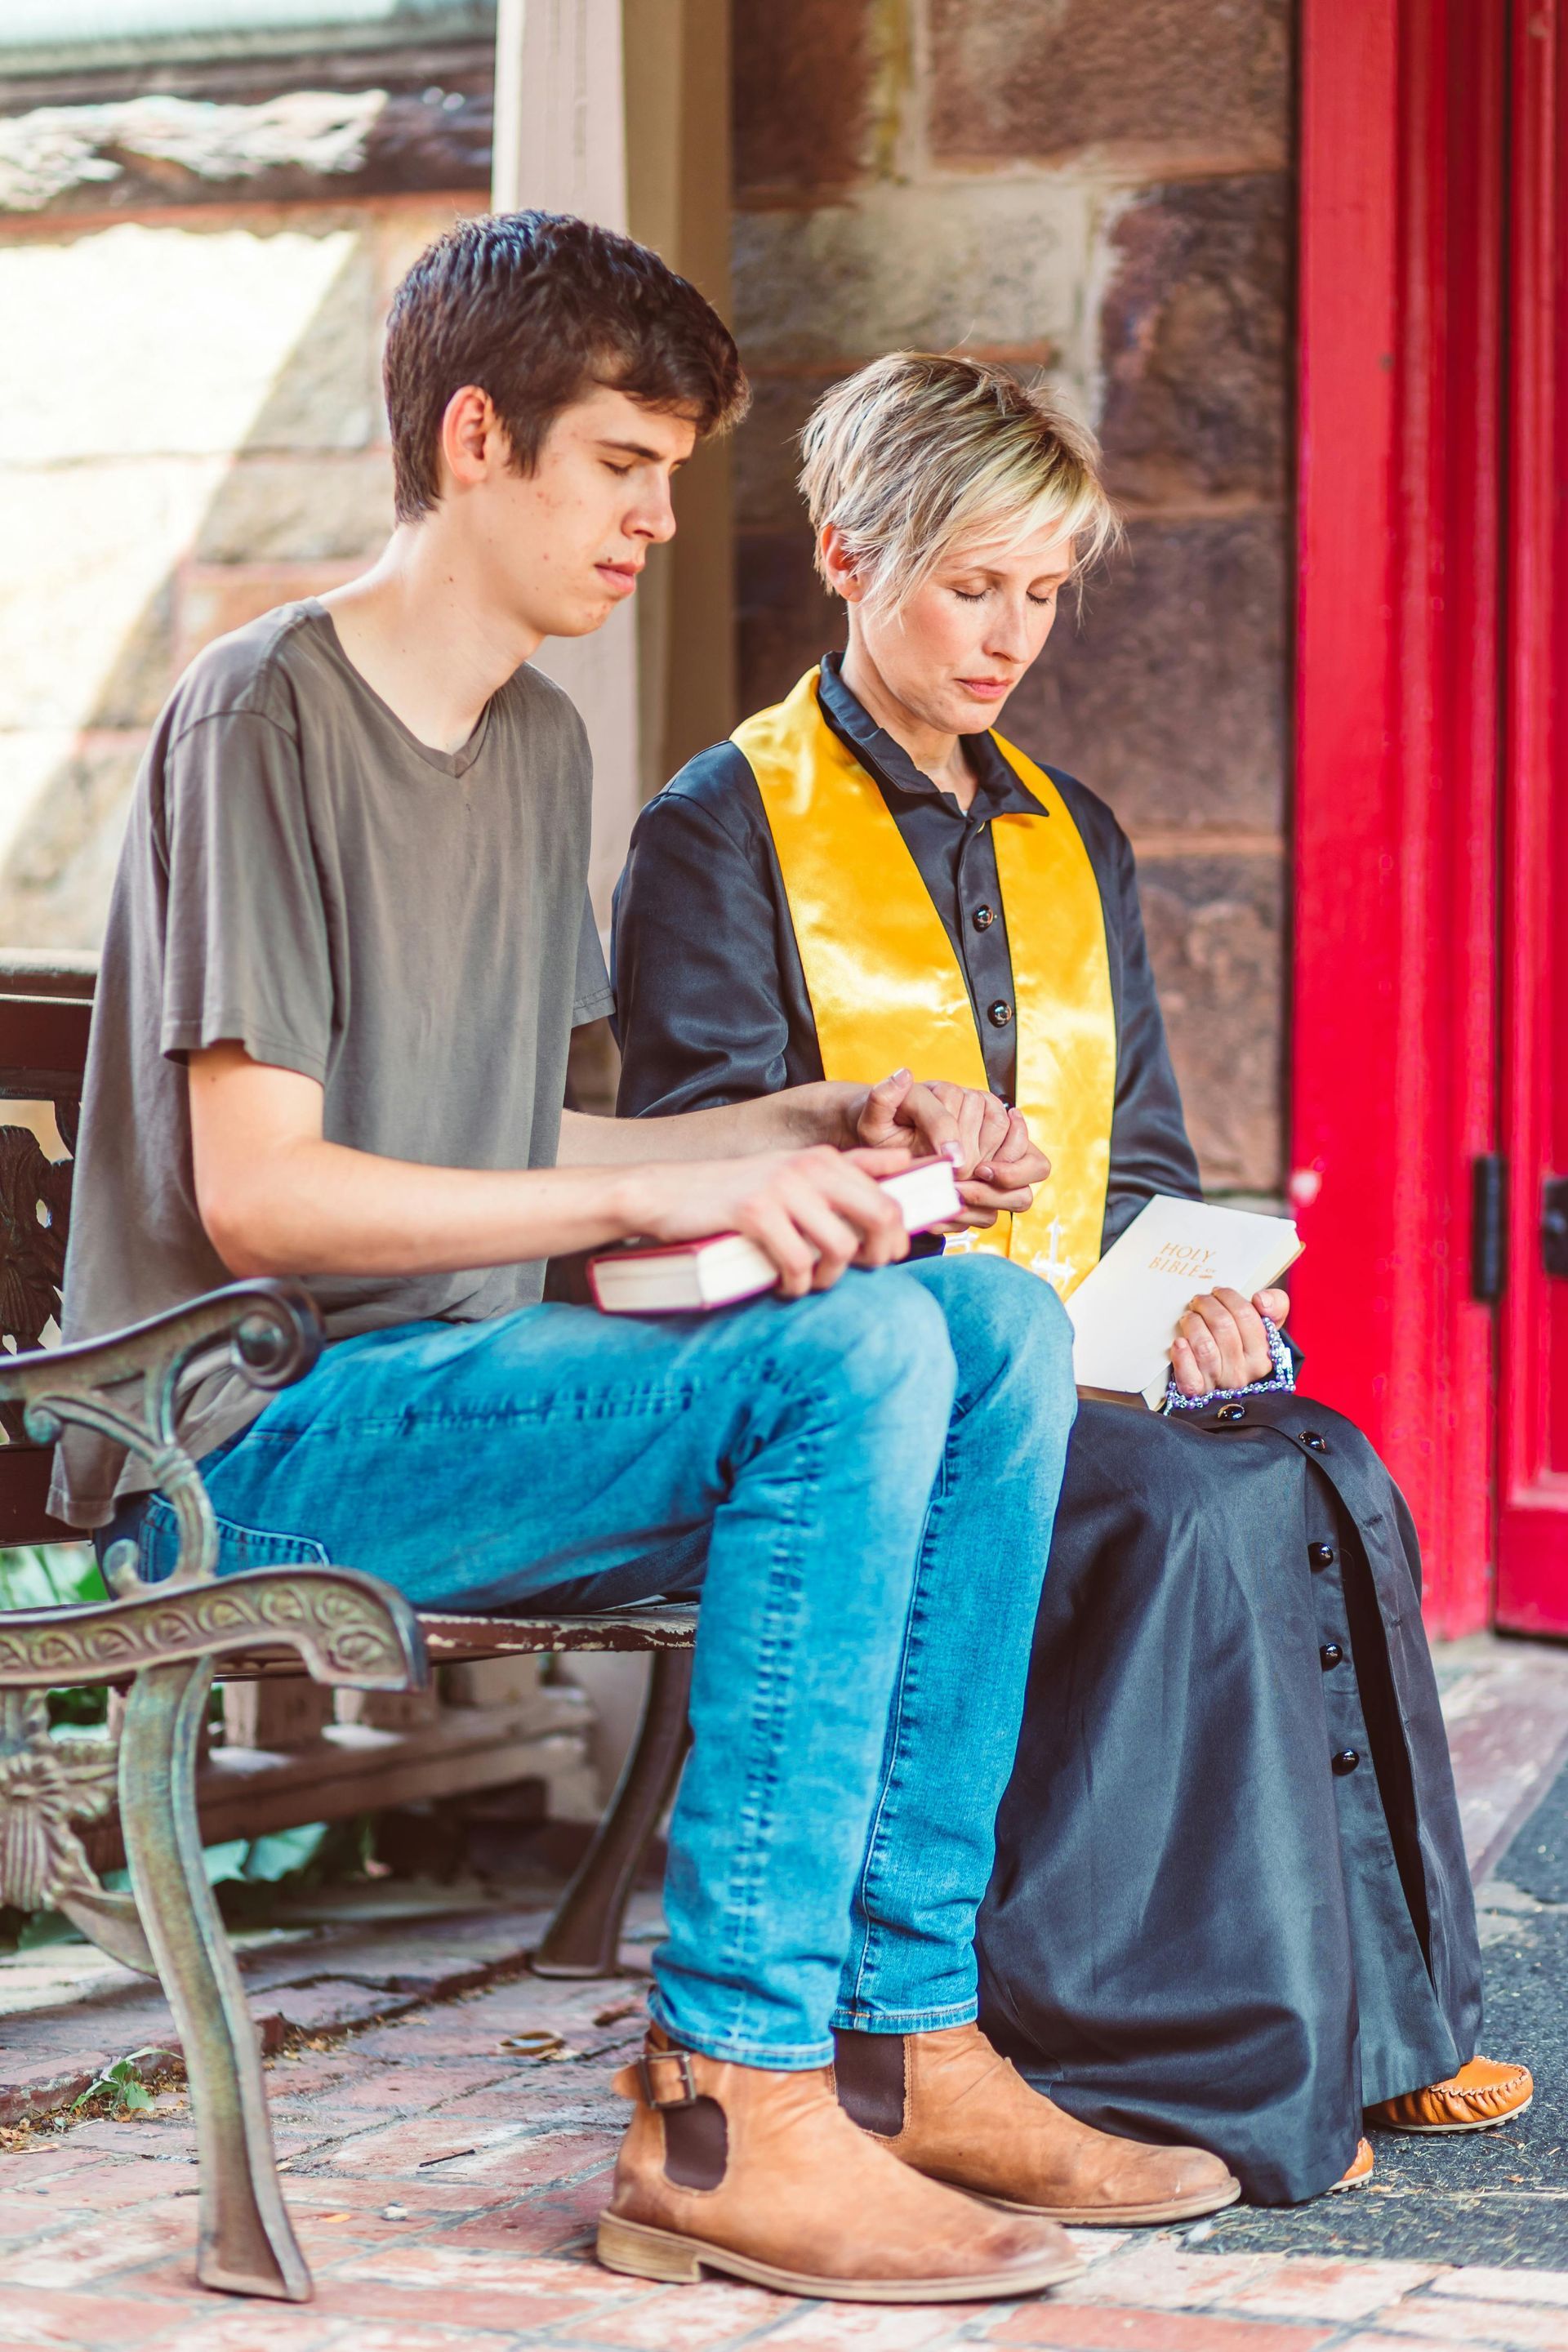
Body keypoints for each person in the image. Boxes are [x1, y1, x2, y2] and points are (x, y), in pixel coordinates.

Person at [52, 219, 1242, 2304]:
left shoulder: (530, 746)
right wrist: (651, 1203)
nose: (660, 518)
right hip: (244, 1433)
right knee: (859, 1350)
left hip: (467, 1391)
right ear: (478, 436)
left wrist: (801, 1127)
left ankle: (911, 2031)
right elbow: (270, 1199)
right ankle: (729, 2103)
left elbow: (516, 1135)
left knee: (981, 1314)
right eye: (624, 464)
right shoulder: (266, 711)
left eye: (676, 470)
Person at [611, 350, 1534, 2207]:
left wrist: (1191, 1300)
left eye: (1041, 594)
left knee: (1319, 1462)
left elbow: (1154, 1158)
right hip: (863, 1371)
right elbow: (700, 1150)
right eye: (972, 584)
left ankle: (1370, 2025)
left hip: (1076, 1358)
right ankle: (1174, 2054)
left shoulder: (1073, 830)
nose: (1008, 634)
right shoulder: (724, 826)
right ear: (851, 554)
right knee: (1189, 1517)